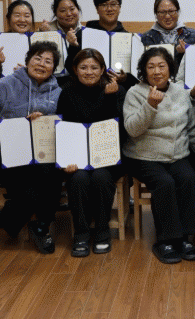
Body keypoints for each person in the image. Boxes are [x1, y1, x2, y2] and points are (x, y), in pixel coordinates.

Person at [0, 41, 62, 254]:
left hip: (43, 154)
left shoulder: (57, 92)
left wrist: (44, 119)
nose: (42, 64)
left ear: (53, 68)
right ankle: (26, 224)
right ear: (27, 61)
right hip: (9, 154)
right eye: (37, 58)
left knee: (53, 178)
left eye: (48, 61)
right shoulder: (7, 83)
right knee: (31, 192)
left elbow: (63, 124)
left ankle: (8, 221)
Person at [123, 47, 195, 264]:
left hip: (177, 153)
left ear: (170, 69)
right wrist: (150, 105)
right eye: (151, 67)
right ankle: (166, 240)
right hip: (143, 155)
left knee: (189, 177)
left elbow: (190, 127)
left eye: (161, 66)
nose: (156, 71)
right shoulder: (135, 93)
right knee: (164, 182)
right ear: (143, 70)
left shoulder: (180, 92)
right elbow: (132, 129)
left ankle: (185, 238)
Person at [57, 48, 127, 257]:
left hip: (108, 155)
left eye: (94, 67)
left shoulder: (116, 90)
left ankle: (102, 231)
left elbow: (120, 129)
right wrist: (66, 160)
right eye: (84, 67)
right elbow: (63, 129)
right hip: (76, 155)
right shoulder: (67, 92)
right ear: (75, 70)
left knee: (101, 177)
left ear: (103, 69)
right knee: (78, 179)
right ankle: (81, 233)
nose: (89, 72)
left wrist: (109, 98)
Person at [63, 0, 135, 90]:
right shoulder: (83, 34)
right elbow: (70, 68)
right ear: (97, 9)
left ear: (119, 8)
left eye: (113, 4)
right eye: (104, 5)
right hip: (86, 89)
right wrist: (74, 46)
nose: (109, 9)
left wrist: (125, 78)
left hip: (119, 89)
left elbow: (136, 73)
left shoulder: (129, 38)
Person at [0, 0, 34, 83]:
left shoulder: (37, 41)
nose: (22, 20)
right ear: (8, 18)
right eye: (17, 15)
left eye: (27, 16)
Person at [140, 0, 195, 65]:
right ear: (156, 14)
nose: (167, 16)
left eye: (171, 11)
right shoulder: (146, 38)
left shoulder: (193, 35)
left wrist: (187, 52)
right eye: (162, 12)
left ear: (178, 12)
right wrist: (176, 51)